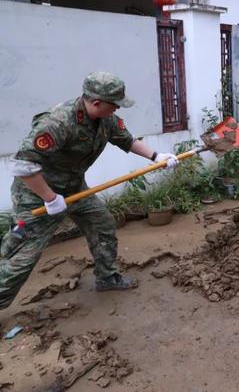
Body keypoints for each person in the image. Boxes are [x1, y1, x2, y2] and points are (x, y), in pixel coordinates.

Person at [0, 72, 179, 310]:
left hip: (75, 188)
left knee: (102, 224)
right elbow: (23, 166)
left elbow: (126, 140)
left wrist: (157, 156)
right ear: (96, 102)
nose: (116, 110)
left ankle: (107, 277)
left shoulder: (106, 119)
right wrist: (50, 199)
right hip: (37, 195)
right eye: (114, 105)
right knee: (23, 258)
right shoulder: (58, 122)